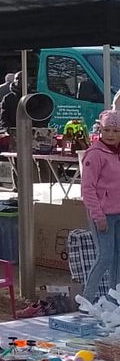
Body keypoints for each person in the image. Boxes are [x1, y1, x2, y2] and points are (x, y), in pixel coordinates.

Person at [82, 111, 120, 301]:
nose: (111, 134)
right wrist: (98, 215)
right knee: (105, 257)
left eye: (115, 130)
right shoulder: (94, 154)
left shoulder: (117, 153)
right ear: (100, 131)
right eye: (107, 130)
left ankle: (115, 299)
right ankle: (86, 299)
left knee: (118, 259)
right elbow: (87, 188)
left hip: (119, 213)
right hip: (103, 214)